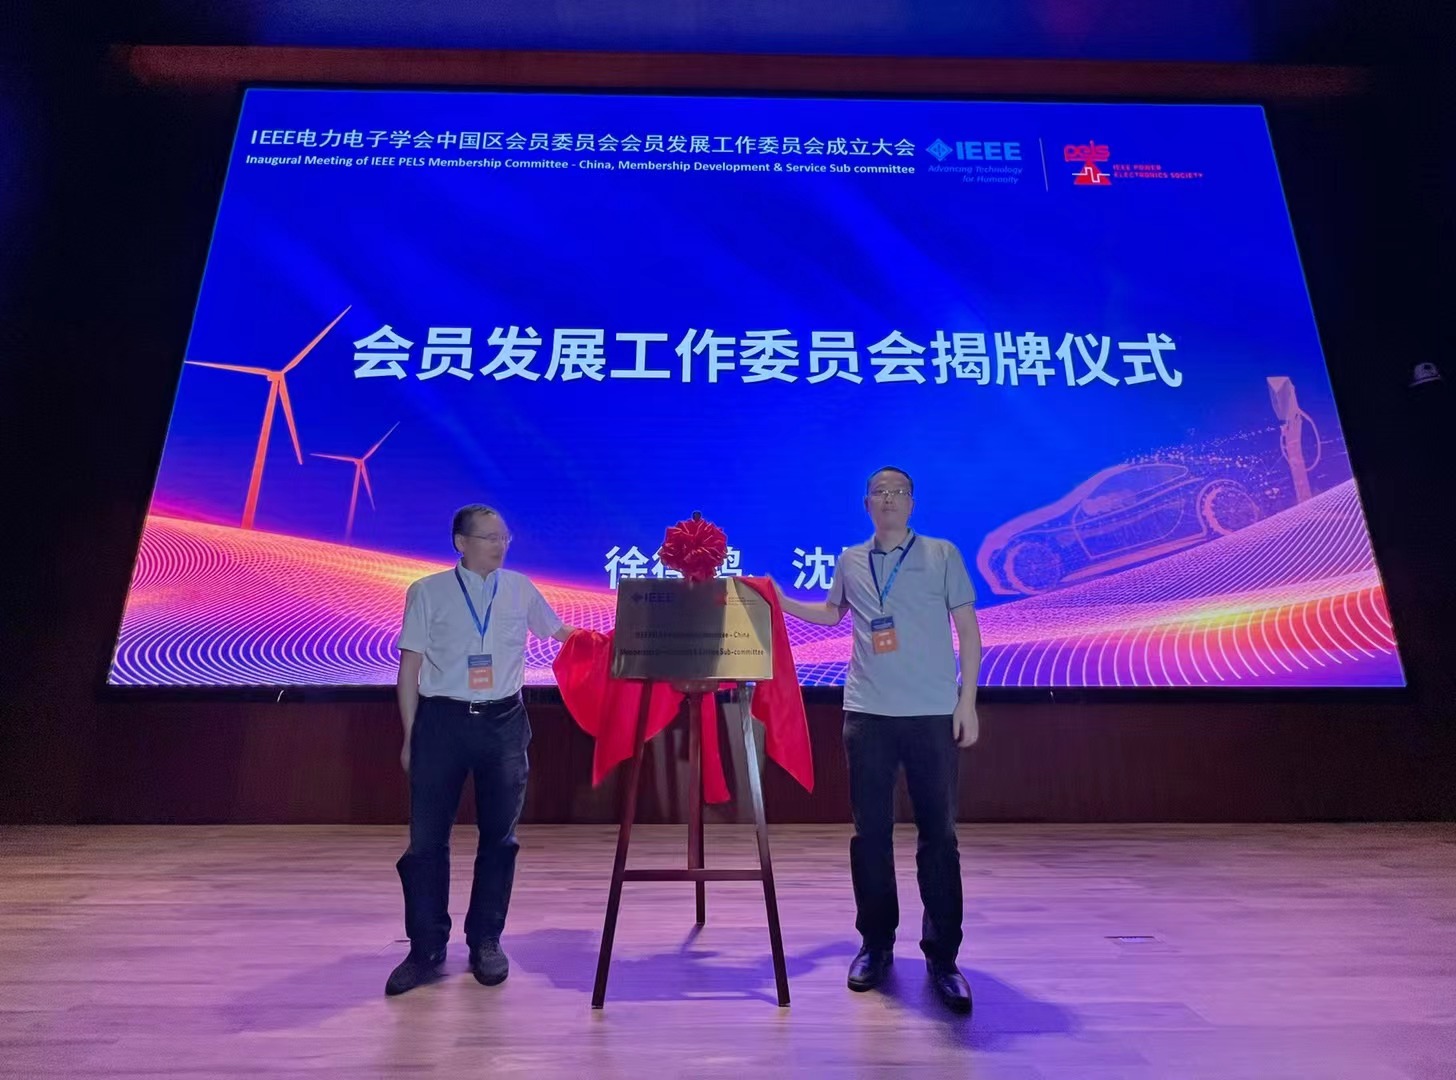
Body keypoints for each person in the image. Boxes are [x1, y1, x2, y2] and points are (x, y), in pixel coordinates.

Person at [775, 467, 982, 1014]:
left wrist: (966, 702)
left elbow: (968, 630)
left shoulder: (942, 554)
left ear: (912, 503)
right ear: (866, 503)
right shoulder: (850, 559)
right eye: (880, 493)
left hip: (933, 713)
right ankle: (876, 945)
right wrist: (780, 600)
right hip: (867, 714)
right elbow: (830, 614)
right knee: (870, 836)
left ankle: (943, 957)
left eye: (899, 493)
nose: (889, 500)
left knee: (939, 836)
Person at [385, 504, 575, 996]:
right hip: (441, 722)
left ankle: (486, 940)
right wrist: (409, 736)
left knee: (500, 839)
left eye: (505, 537)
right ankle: (425, 948)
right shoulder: (427, 591)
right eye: (490, 537)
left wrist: (628, 642)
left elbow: (565, 636)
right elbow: (409, 669)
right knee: (427, 842)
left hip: (504, 723)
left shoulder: (520, 588)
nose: (501, 545)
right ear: (461, 542)